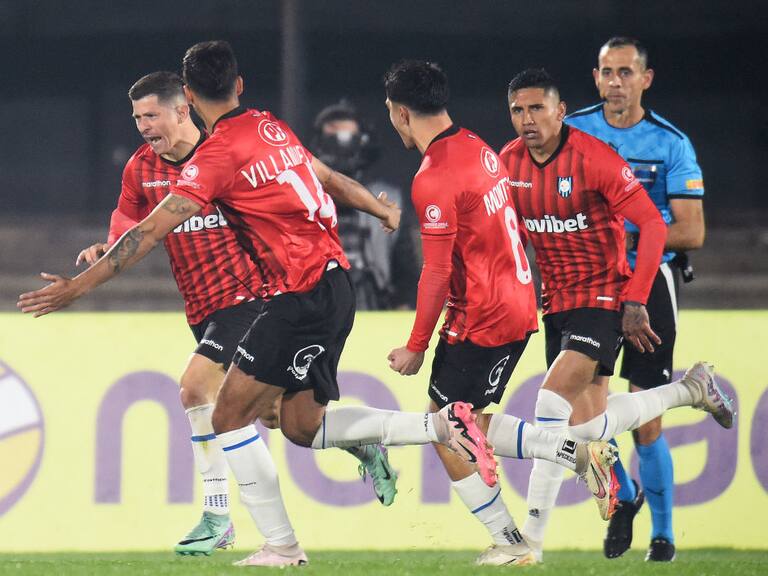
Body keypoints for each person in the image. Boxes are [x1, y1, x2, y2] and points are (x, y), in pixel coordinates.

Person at [19, 42, 628, 567]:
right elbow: (326, 178)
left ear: (188, 99)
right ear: (238, 85)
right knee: (299, 425)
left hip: (296, 295)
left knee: (221, 409)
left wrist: (76, 288)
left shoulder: (215, 157)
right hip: (336, 287)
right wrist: (381, 208)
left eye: (153, 114)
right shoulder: (270, 127)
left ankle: (275, 543)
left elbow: (150, 232)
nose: (145, 127)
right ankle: (441, 440)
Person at [74, 71, 400, 556]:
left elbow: (319, 178)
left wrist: (376, 208)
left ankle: (219, 514)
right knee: (280, 418)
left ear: (183, 108)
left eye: (151, 114)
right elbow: (129, 219)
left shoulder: (224, 151)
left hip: (253, 297)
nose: (143, 125)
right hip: (202, 306)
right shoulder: (140, 170)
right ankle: (364, 445)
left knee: (195, 388)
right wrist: (108, 243)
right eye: (137, 117)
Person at [383, 59, 620, 567]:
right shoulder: (479, 148)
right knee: (469, 425)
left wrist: (416, 346)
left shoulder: (434, 175)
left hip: (482, 316)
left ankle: (519, 532)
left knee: (447, 430)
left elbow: (437, 273)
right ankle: (571, 466)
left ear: (400, 113)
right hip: (517, 305)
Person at [497, 68, 733, 562]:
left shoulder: (593, 158)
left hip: (604, 297)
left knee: (550, 406)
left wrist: (636, 298)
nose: (527, 119)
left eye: (537, 108)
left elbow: (650, 223)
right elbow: (507, 235)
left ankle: (526, 544)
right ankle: (691, 391)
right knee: (587, 432)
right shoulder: (509, 163)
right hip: (557, 303)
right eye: (518, 110)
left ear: (561, 111)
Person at [567, 37, 707, 562]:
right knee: (587, 412)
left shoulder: (670, 143)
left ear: (646, 78)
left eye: (625, 72)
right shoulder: (574, 130)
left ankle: (663, 534)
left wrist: (627, 238)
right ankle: (623, 493)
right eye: (606, 72)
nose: (615, 82)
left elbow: (691, 230)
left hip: (649, 284)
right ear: (596, 76)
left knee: (646, 420)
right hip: (583, 285)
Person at [311, 100, 419, 310]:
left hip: (374, 310)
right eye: (333, 129)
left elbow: (405, 270)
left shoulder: (388, 198)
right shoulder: (304, 195)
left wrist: (404, 307)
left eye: (347, 129)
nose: (341, 136)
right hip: (317, 307)